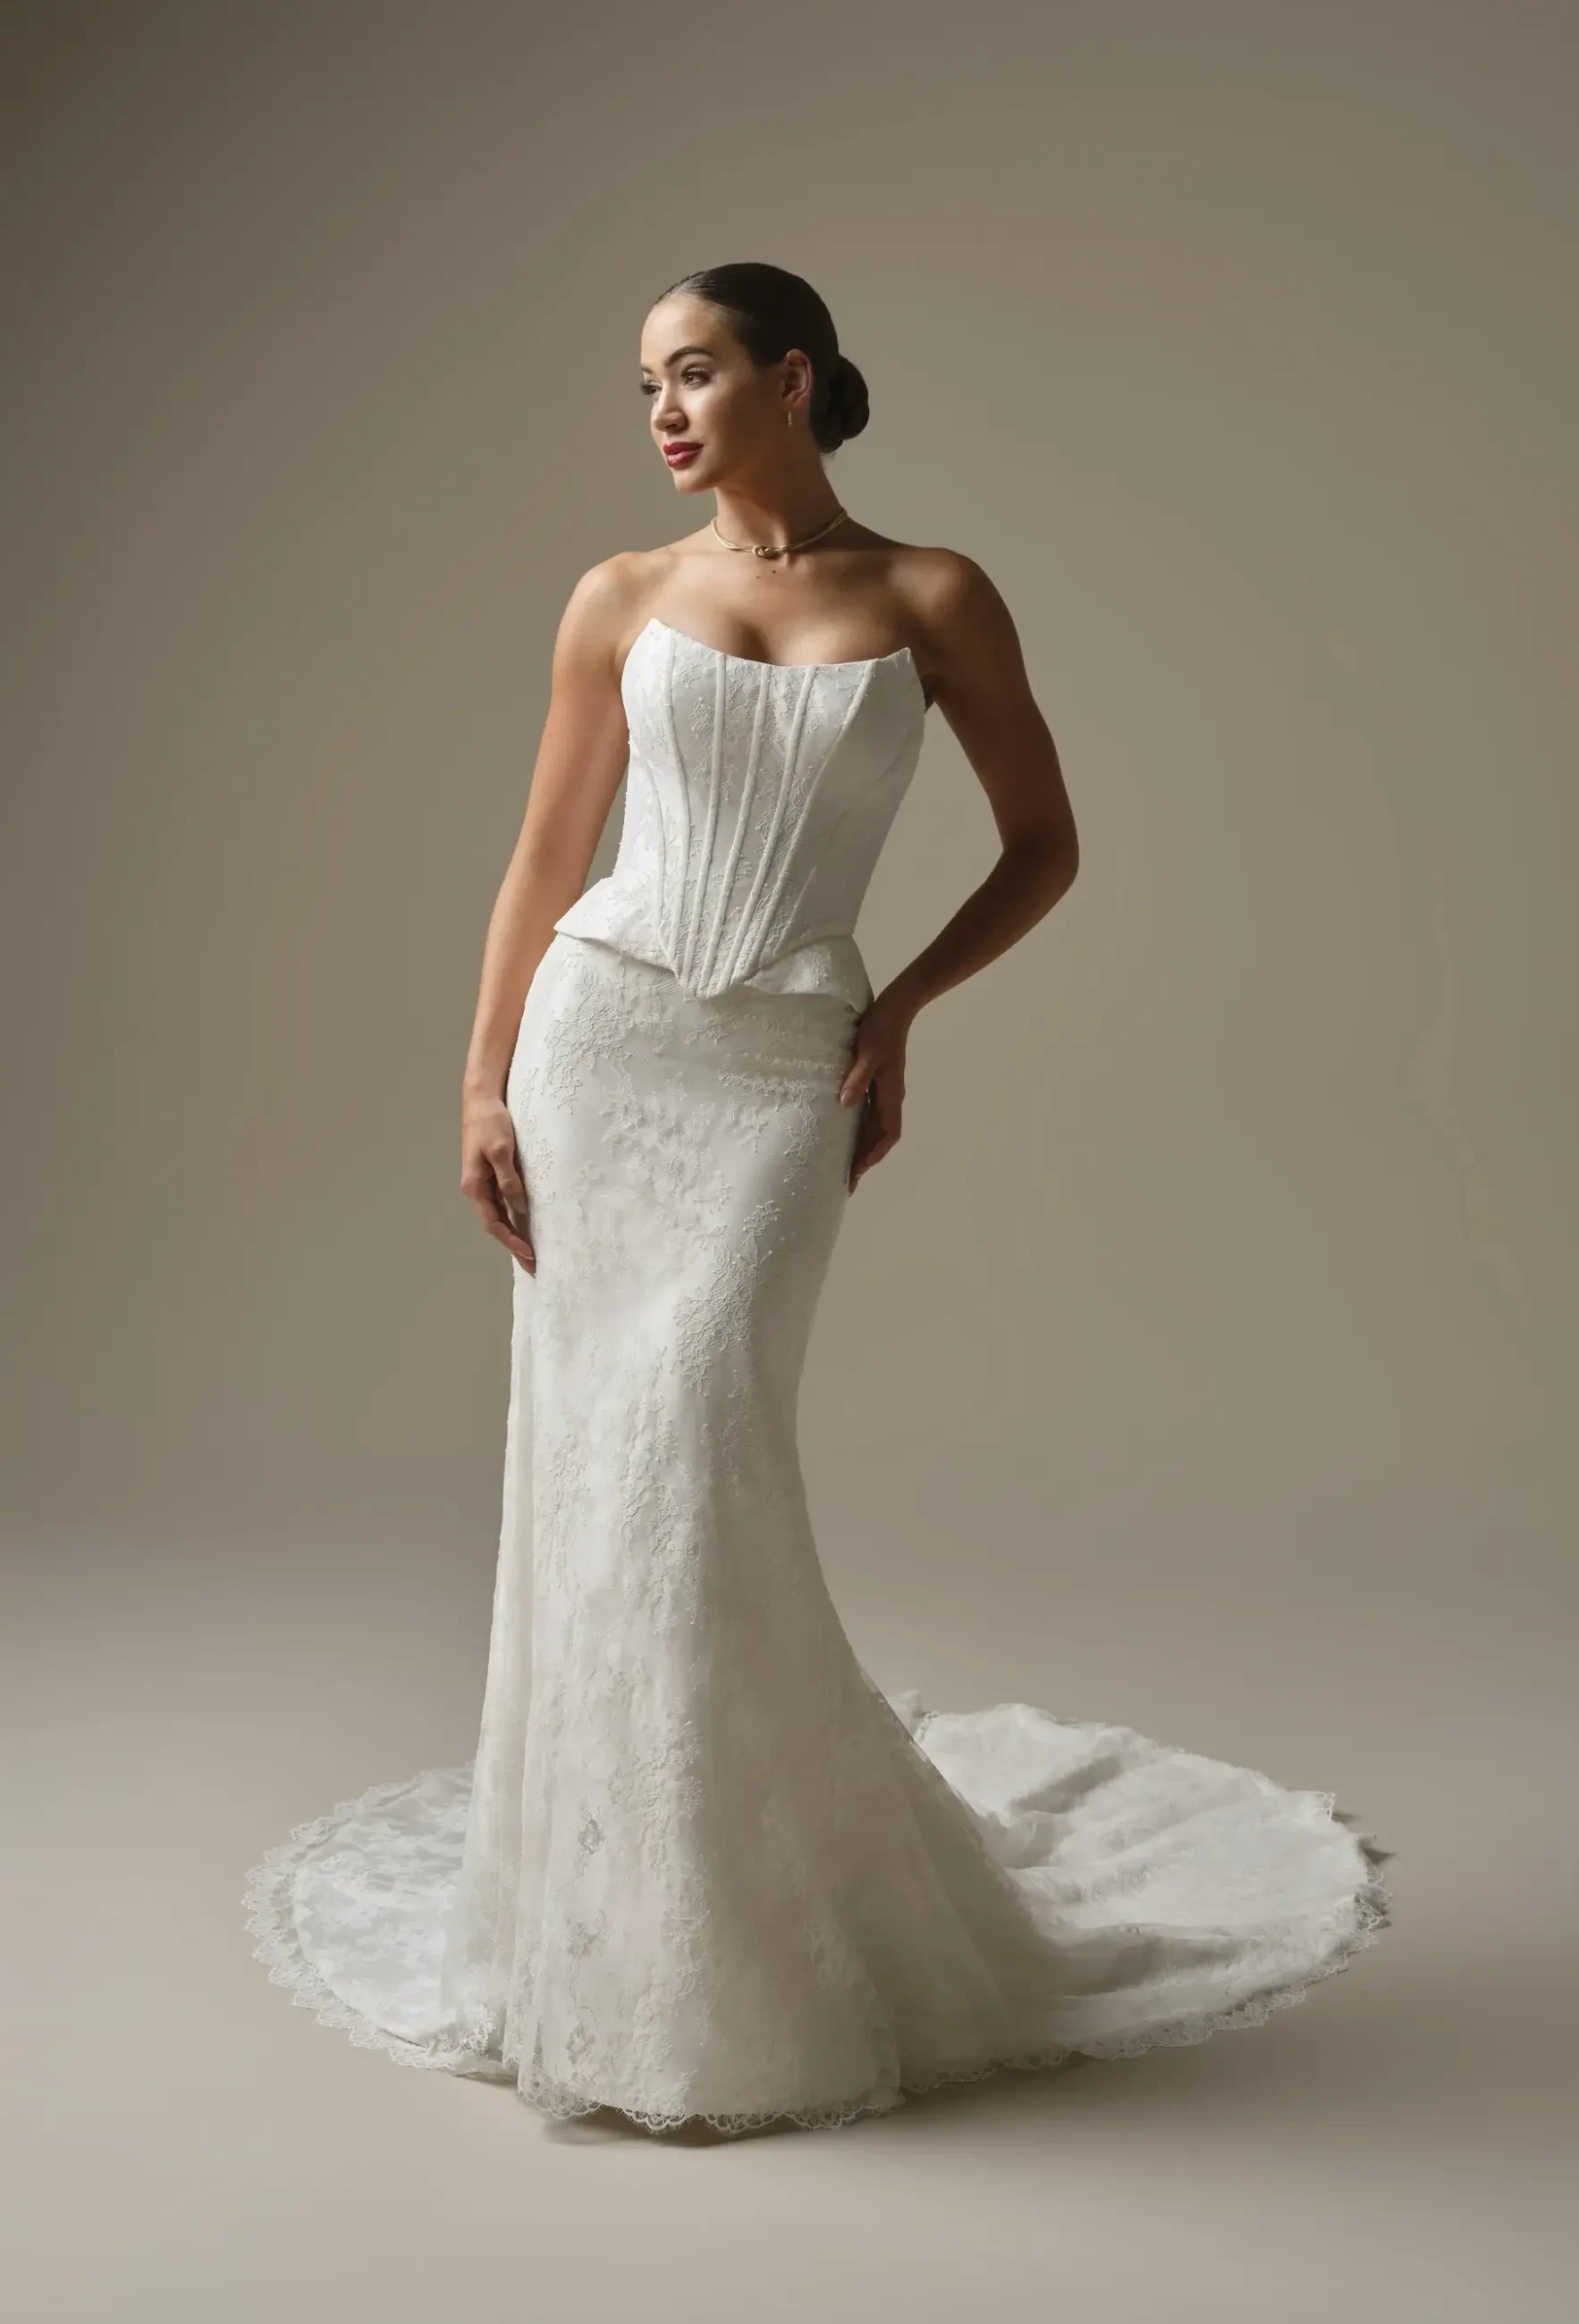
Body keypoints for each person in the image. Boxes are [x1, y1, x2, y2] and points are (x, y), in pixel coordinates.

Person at [243, 262, 1391, 2137]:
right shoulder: (617, 598)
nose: (663, 413)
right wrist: (476, 1076)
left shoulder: (935, 594)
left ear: (795, 375)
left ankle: (742, 1940)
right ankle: (611, 1934)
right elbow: (546, 856)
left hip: (784, 1061)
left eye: (692, 371)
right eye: (642, 388)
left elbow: (1049, 844)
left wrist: (906, 1004)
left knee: (695, 1448)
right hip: (598, 1044)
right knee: (602, 1460)